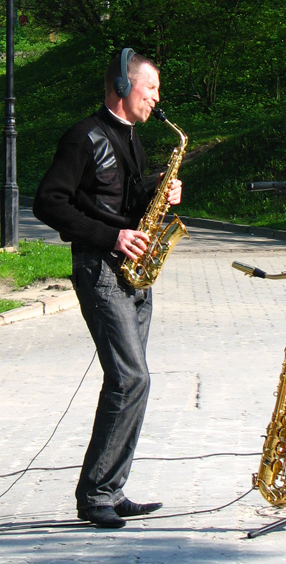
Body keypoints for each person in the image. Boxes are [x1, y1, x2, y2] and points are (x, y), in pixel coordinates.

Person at [33, 48, 182, 529]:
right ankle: (95, 494)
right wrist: (112, 236)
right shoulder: (83, 136)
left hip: (134, 272)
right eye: (151, 88)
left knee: (132, 381)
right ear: (123, 86)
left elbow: (125, 199)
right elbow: (48, 203)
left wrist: (160, 186)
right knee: (130, 378)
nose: (157, 98)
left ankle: (110, 489)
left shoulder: (133, 139)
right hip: (100, 268)